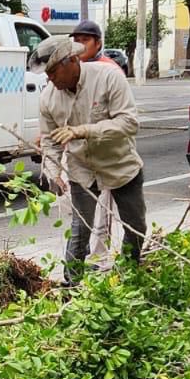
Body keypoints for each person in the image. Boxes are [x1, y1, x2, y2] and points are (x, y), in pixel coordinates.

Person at [35, 35, 148, 285]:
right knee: (80, 229)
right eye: (47, 74)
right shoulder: (48, 98)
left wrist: (83, 131)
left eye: (53, 72)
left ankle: (128, 278)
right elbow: (50, 141)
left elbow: (129, 123)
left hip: (120, 164)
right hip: (82, 169)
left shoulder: (108, 77)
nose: (50, 79)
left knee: (136, 226)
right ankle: (72, 285)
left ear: (72, 61)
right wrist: (53, 172)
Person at [71, 20, 123, 256]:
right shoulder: (71, 69)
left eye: (85, 40)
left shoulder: (110, 70)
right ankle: (78, 261)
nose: (80, 45)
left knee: (102, 213)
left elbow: (120, 117)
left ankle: (99, 258)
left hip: (104, 154)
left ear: (98, 43)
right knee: (79, 216)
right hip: (77, 155)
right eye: (77, 41)